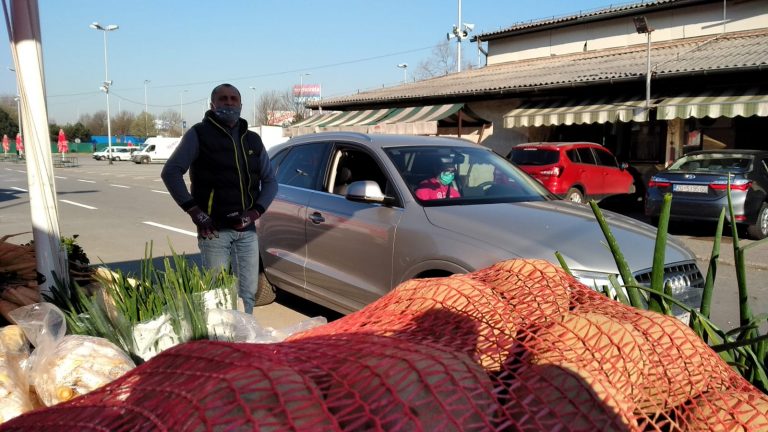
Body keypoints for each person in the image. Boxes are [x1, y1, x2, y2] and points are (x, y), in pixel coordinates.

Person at [161, 83, 277, 314]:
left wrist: (255, 213)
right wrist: (195, 212)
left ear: (241, 104)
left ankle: (245, 337)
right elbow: (171, 172)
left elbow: (271, 181)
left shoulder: (252, 139)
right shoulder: (198, 134)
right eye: (223, 99)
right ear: (213, 105)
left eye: (234, 99)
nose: (229, 103)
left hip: (246, 230)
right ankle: (223, 340)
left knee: (249, 292)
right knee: (219, 294)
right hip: (213, 231)